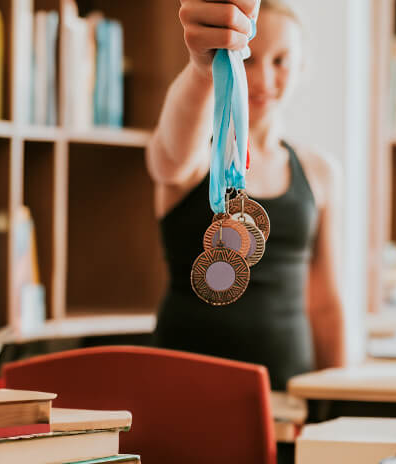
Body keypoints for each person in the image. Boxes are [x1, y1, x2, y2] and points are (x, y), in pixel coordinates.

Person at [148, 0, 345, 390]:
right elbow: (169, 160)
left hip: (290, 399)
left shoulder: (320, 173)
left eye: (281, 61)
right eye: (248, 59)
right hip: (186, 392)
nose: (263, 79)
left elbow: (325, 305)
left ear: (303, 67)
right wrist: (202, 68)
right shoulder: (198, 157)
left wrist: (334, 402)